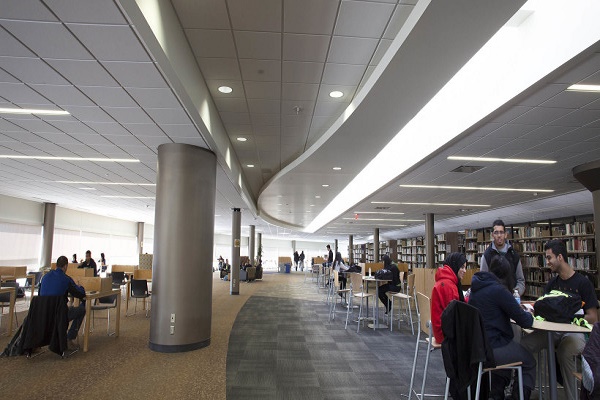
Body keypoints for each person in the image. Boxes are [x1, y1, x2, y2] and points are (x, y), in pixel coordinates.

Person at [521, 239, 599, 400]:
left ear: (560, 257)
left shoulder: (583, 283)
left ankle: (572, 397)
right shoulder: (552, 284)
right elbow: (543, 309)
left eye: (549, 257)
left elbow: (593, 317)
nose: (547, 262)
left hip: (575, 332)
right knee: (524, 345)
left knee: (565, 351)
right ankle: (523, 390)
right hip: (552, 331)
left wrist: (569, 318)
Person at [469, 255, 536, 400]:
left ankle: (496, 394)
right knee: (529, 361)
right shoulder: (499, 291)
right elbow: (525, 321)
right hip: (493, 347)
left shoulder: (476, 287)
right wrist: (530, 314)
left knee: (510, 351)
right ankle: (517, 397)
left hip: (478, 346)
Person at [39, 255, 86, 350]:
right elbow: (80, 294)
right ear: (65, 266)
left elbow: (40, 295)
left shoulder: (44, 277)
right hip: (59, 314)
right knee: (81, 310)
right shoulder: (66, 279)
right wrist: (80, 287)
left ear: (56, 265)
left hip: (43, 314)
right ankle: (69, 338)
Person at [480, 219, 525, 296]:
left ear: (505, 234)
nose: (499, 235)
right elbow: (483, 280)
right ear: (492, 235)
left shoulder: (513, 255)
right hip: (493, 298)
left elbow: (520, 280)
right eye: (496, 232)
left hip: (512, 297)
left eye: (501, 232)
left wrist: (516, 293)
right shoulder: (487, 256)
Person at [431, 252, 467, 344]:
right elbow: (454, 315)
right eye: (462, 267)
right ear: (455, 266)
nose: (465, 271)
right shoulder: (449, 285)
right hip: (444, 334)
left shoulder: (445, 280)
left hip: (440, 329)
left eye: (465, 267)